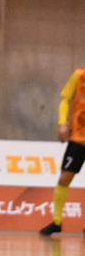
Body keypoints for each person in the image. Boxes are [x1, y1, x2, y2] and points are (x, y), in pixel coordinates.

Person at [39, 66, 85, 237]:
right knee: (64, 178)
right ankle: (57, 222)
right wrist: (62, 123)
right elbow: (65, 100)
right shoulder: (79, 75)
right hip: (78, 138)